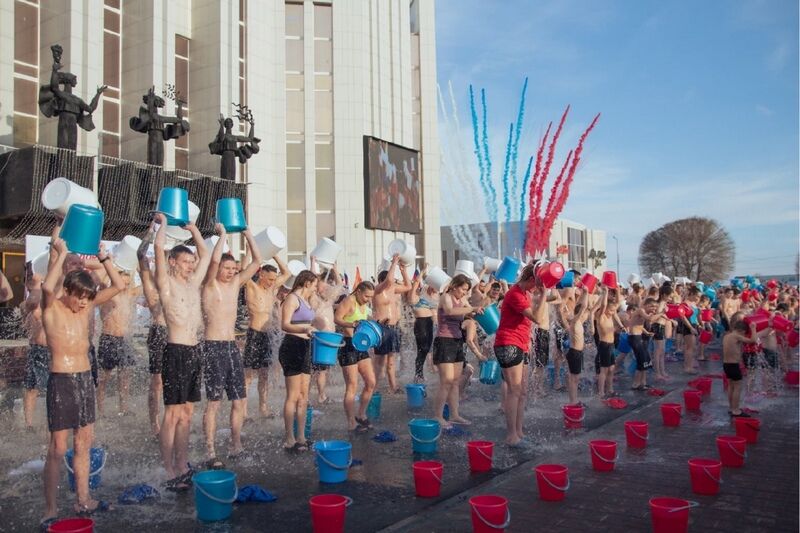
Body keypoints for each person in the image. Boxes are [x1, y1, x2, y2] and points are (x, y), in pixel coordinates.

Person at [40, 237, 125, 527]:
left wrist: (105, 259)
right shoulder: (52, 308)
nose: (84, 304)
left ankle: (83, 499)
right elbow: (46, 288)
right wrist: (61, 253)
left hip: (84, 377)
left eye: (88, 299)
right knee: (57, 447)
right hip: (61, 380)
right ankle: (50, 508)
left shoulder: (86, 306)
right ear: (68, 291)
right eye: (79, 298)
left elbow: (118, 287)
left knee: (85, 443)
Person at [152, 213, 212, 491]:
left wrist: (194, 229)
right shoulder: (166, 283)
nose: (190, 266)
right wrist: (163, 225)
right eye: (185, 262)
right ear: (173, 263)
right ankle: (167, 468)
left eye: (191, 262)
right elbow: (157, 248)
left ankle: (183, 462)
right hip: (175, 351)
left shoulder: (193, 284)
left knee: (187, 413)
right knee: (172, 414)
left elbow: (206, 254)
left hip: (193, 352)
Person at [201, 227, 261, 467]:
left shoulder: (235, 284)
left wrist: (248, 233)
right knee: (214, 403)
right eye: (227, 268)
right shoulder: (209, 285)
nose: (230, 272)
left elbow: (257, 261)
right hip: (213, 346)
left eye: (233, 269)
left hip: (231, 347)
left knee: (239, 400)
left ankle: (236, 445)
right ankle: (210, 451)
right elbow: (214, 260)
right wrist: (224, 236)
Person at [494, 264, 539, 446]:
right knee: (514, 390)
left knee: (522, 391)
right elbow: (536, 317)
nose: (537, 289)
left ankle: (519, 432)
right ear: (530, 280)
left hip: (521, 344)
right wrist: (543, 295)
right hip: (508, 343)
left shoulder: (525, 293)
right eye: (537, 284)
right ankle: (511, 436)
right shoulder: (514, 294)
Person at [243, 257, 291, 419]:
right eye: (269, 279)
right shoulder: (251, 287)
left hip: (268, 335)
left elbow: (287, 273)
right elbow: (244, 270)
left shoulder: (271, 290)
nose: (272, 282)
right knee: (248, 375)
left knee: (264, 374)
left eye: (273, 279)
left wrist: (275, 254)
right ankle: (243, 411)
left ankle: (263, 408)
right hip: (255, 334)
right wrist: (250, 253)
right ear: (261, 275)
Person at [432, 274, 481, 429]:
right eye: (463, 289)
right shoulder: (446, 297)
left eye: (467, 290)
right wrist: (471, 308)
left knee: (454, 382)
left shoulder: (463, 300)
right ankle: (438, 416)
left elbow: (467, 311)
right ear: (454, 286)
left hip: (457, 341)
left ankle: (454, 415)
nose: (464, 293)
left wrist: (477, 311)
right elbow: (450, 311)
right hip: (444, 342)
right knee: (446, 381)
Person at [279, 270, 317, 452]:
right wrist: (304, 329)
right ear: (307, 283)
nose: (315, 289)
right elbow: (284, 324)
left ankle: (301, 437)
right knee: (293, 396)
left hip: (305, 346)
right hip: (292, 346)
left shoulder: (307, 301)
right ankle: (289, 439)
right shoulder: (292, 299)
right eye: (314, 285)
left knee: (303, 396)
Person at [137, 226, 169, 436]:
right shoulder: (151, 287)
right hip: (159, 331)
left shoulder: (177, 283)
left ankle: (171, 419)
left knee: (174, 380)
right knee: (157, 382)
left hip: (177, 334)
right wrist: (151, 230)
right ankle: (154, 423)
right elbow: (141, 253)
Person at [334, 281, 378, 432]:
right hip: (347, 345)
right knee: (352, 385)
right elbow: (337, 318)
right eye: (366, 296)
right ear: (358, 291)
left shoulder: (364, 304)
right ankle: (351, 422)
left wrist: (376, 323)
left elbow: (365, 319)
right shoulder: (349, 301)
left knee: (371, 382)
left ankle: (361, 414)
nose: (368, 299)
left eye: (371, 297)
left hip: (361, 345)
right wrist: (351, 324)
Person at [96, 271, 140, 416]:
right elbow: (100, 280)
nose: (125, 287)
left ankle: (124, 408)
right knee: (104, 378)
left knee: (125, 377)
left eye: (127, 284)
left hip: (125, 340)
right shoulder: (107, 296)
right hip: (109, 338)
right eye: (122, 283)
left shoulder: (129, 295)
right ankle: (100, 410)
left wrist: (139, 267)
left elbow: (147, 285)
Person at [372, 255, 412, 393]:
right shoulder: (377, 290)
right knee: (379, 361)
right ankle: (373, 386)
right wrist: (394, 262)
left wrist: (403, 270)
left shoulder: (393, 290)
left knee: (392, 360)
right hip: (381, 327)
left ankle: (393, 386)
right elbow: (389, 280)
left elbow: (408, 286)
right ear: (381, 281)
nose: (393, 282)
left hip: (394, 327)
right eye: (391, 280)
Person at [22, 267, 48, 431]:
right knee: (32, 388)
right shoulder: (26, 303)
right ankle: (29, 423)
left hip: (53, 349)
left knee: (55, 387)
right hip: (37, 348)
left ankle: (52, 419)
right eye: (30, 281)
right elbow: (31, 307)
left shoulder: (50, 299)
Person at [562, 288, 594, 406]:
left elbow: (582, 306)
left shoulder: (578, 323)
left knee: (575, 378)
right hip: (574, 352)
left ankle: (574, 400)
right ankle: (573, 401)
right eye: (584, 314)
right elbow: (583, 307)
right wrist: (586, 293)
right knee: (573, 379)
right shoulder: (575, 321)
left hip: (577, 352)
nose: (586, 316)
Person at [722, 320, 759, 417]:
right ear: (742, 331)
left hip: (726, 364)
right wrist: (753, 328)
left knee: (731, 386)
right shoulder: (737, 336)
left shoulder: (727, 336)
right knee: (738, 387)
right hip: (733, 365)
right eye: (744, 333)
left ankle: (731, 407)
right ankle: (736, 410)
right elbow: (753, 340)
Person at [408, 266, 438, 383]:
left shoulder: (434, 297)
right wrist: (422, 272)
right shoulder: (416, 296)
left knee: (427, 350)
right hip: (421, 324)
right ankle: (418, 374)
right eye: (433, 286)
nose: (434, 290)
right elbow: (416, 283)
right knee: (423, 349)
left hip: (430, 324)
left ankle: (421, 373)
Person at [628, 298, 661, 390]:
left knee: (646, 360)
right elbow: (649, 319)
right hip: (634, 338)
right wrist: (661, 313)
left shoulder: (643, 313)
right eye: (651, 306)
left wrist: (646, 332)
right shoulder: (640, 310)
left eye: (655, 307)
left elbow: (638, 324)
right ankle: (635, 384)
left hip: (639, 337)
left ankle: (643, 383)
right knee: (641, 361)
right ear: (646, 305)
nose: (653, 309)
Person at [594, 286, 619, 398]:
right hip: (604, 345)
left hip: (611, 345)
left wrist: (617, 291)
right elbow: (603, 305)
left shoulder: (610, 316)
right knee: (604, 370)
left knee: (612, 369)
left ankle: (610, 389)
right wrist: (606, 292)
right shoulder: (601, 317)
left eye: (614, 310)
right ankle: (601, 392)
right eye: (611, 310)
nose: (612, 312)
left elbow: (617, 303)